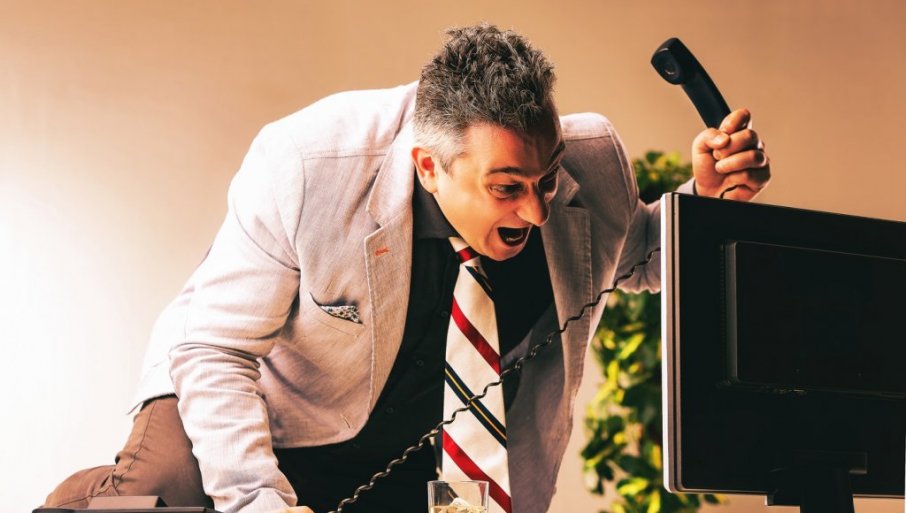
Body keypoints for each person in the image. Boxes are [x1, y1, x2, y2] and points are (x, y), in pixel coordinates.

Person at [44, 23, 770, 513]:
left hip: (410, 446)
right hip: (260, 397)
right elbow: (214, 350)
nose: (536, 210)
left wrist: (702, 203)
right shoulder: (309, 165)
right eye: (507, 188)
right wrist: (259, 502)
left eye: (545, 179)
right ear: (429, 167)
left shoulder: (592, 161)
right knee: (161, 495)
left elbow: (635, 257)